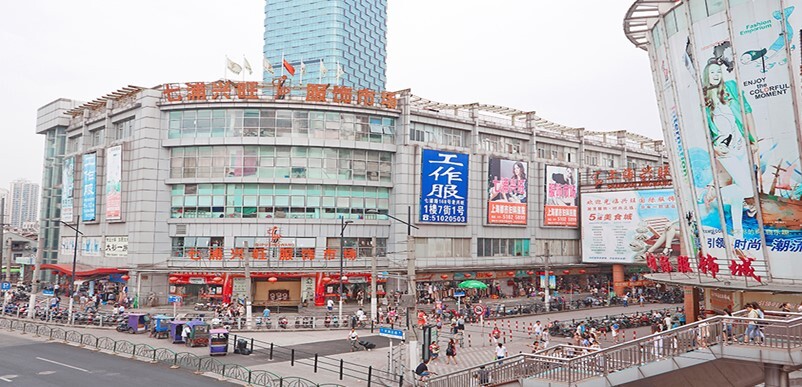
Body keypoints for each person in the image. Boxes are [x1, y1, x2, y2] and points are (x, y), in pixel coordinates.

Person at [701, 59, 758, 243]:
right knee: (748, 187)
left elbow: (746, 111)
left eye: (718, 72)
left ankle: (738, 234)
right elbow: (704, 128)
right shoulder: (704, 98)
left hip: (741, 143)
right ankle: (714, 192)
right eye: (712, 73)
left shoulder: (731, 87)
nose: (716, 75)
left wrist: (753, 139)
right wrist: (713, 147)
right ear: (706, 76)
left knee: (737, 193)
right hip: (724, 148)